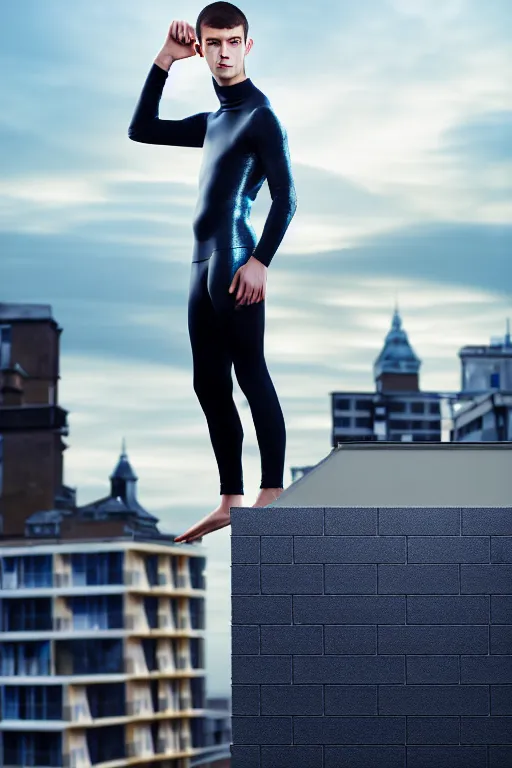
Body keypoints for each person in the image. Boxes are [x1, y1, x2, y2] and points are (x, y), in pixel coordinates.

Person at [128, 2, 297, 544]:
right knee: (208, 384)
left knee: (251, 372)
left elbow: (287, 199)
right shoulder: (216, 120)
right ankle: (231, 497)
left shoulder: (260, 116)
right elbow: (142, 129)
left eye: (234, 41)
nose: (224, 52)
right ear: (201, 47)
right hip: (200, 265)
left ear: (247, 45)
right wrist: (164, 61)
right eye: (213, 43)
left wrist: (260, 261)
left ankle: (270, 492)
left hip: (235, 260)